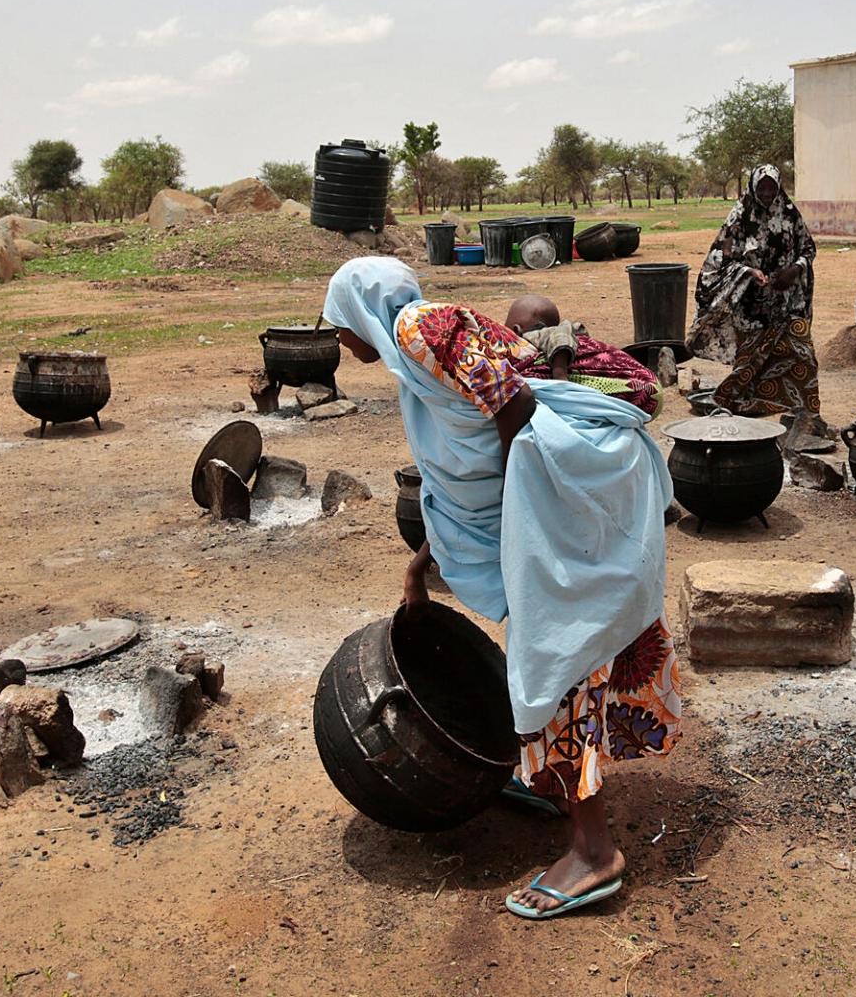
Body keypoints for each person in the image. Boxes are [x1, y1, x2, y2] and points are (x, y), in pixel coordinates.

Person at [321, 258, 680, 921]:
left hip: (559, 497)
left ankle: (594, 852)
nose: (339, 338)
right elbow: (462, 466)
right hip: (540, 503)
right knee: (551, 653)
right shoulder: (412, 359)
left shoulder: (418, 326)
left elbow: (512, 403)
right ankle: (551, 785)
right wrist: (421, 562)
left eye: (337, 321)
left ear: (358, 307)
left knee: (557, 657)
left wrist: (529, 515)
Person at [687, 163, 821, 417]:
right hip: (752, 307)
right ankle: (743, 405)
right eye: (763, 187)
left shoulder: (790, 213)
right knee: (750, 362)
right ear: (753, 186)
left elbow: (808, 248)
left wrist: (794, 270)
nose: (768, 193)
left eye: (772, 187)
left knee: (803, 355)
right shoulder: (740, 215)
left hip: (787, 303)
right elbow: (721, 258)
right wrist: (748, 272)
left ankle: (805, 415)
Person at [504, 293, 662, 415]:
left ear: (516, 329)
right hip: (645, 393)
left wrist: (560, 376)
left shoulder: (537, 336)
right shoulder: (549, 348)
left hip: (642, 388)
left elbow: (560, 339)